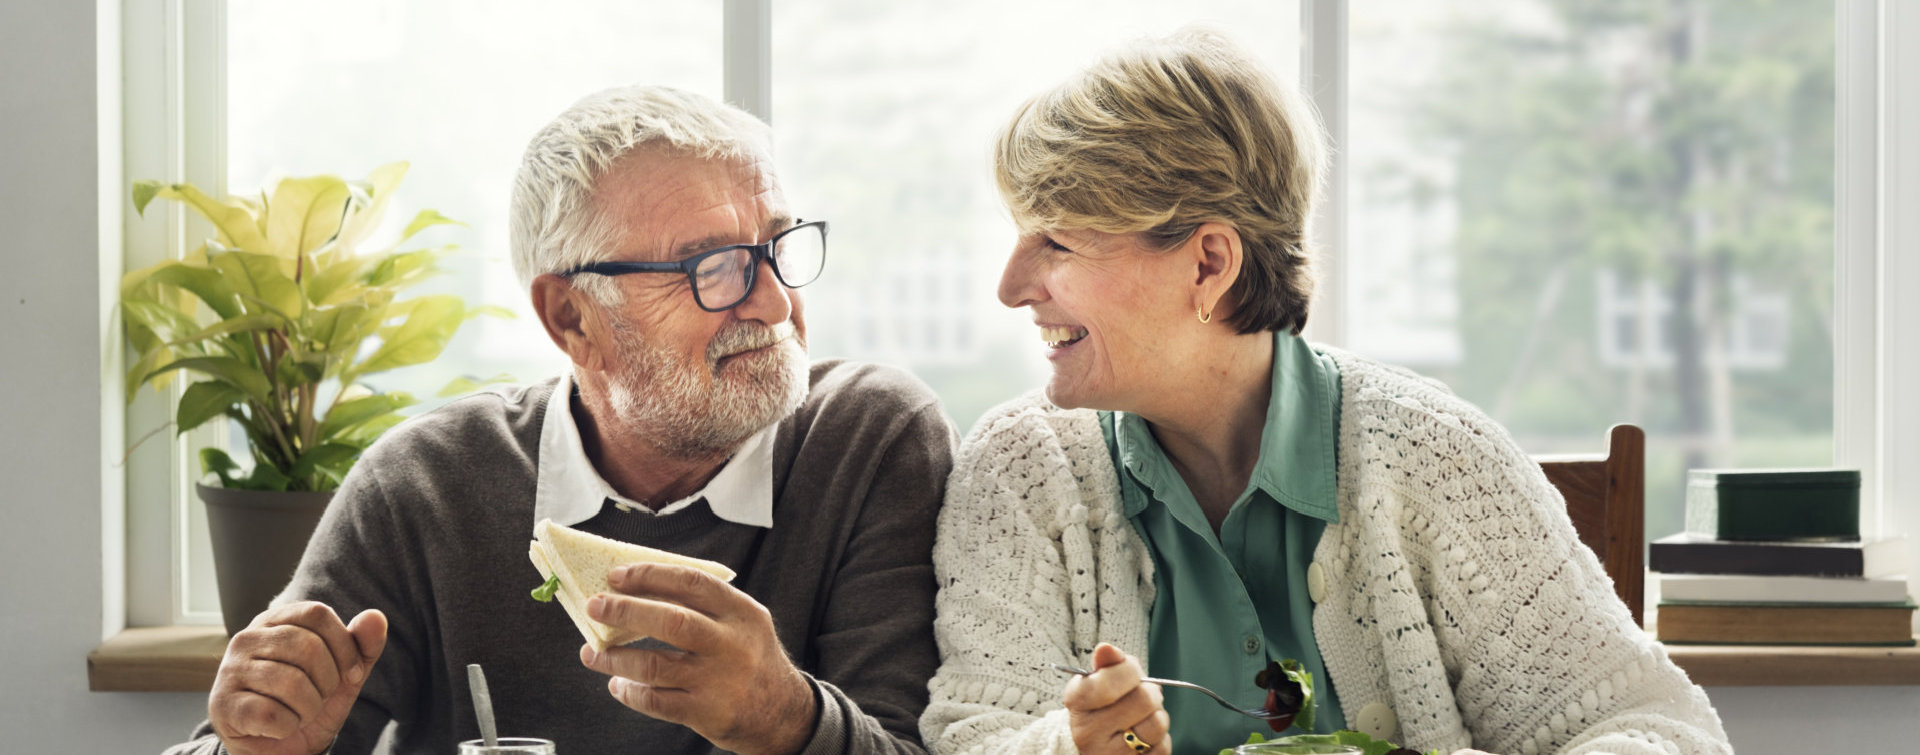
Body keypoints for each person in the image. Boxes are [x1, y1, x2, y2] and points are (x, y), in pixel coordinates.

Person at [920, 29, 1731, 755]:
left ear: (1208, 262)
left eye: (1056, 241)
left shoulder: (1439, 459)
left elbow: (1662, 731)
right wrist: (1072, 748)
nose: (1011, 285)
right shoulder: (1019, 469)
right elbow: (970, 738)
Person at [166, 85, 955, 755]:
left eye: (779, 246)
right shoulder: (427, 486)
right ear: (571, 317)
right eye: (713, 268)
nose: (776, 303)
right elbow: (251, 735)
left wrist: (789, 716)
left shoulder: (871, 440)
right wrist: (253, 739)